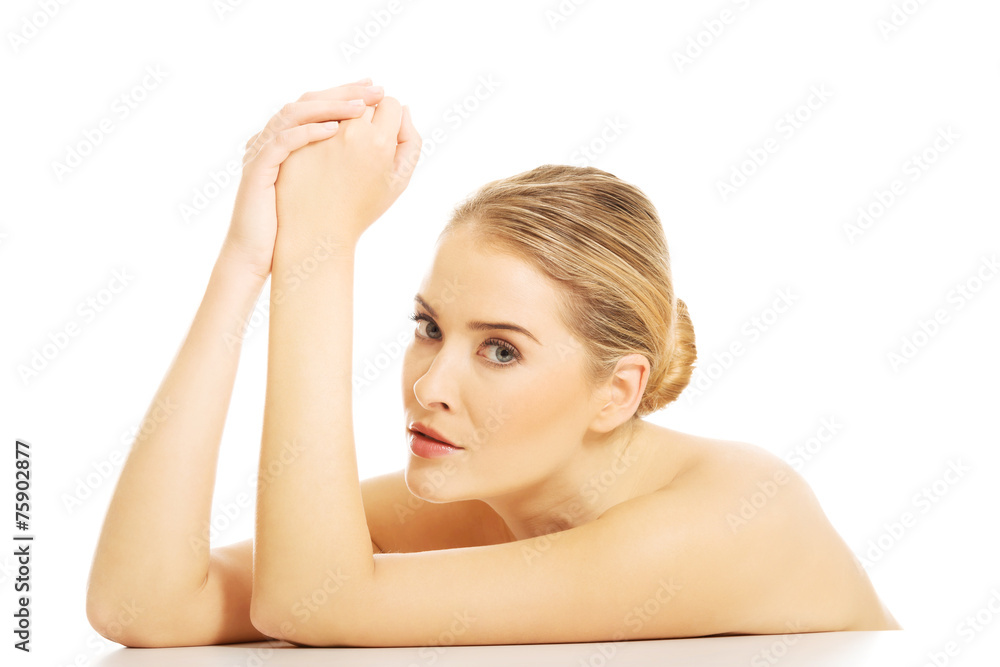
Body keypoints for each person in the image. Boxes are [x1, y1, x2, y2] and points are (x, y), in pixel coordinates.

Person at [85, 78, 901, 648]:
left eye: (501, 350)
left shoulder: (728, 520)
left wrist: (323, 244)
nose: (430, 387)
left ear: (617, 392)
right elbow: (146, 602)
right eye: (430, 328)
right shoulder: (487, 498)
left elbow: (313, 601)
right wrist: (244, 260)